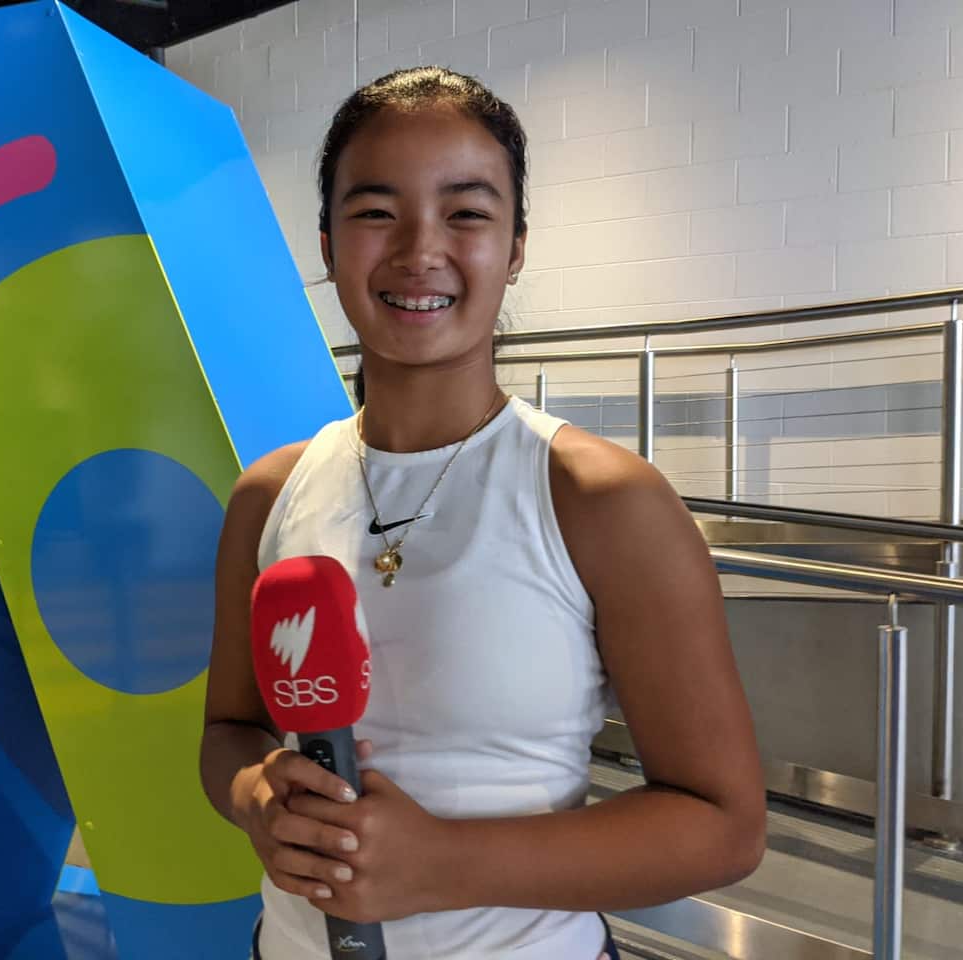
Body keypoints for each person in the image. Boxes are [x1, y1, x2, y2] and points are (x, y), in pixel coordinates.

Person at [200, 66, 766, 960]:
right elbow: (227, 732)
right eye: (375, 210)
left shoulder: (601, 500)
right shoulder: (270, 495)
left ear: (515, 247)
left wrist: (444, 863)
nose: (419, 250)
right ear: (326, 241)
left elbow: (723, 826)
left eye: (466, 212)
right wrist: (256, 798)